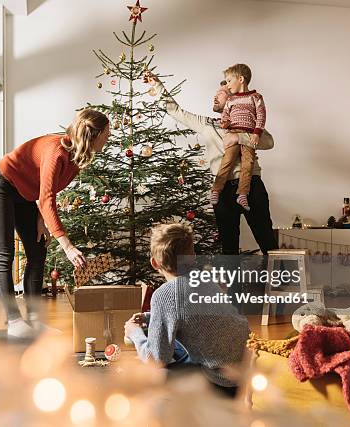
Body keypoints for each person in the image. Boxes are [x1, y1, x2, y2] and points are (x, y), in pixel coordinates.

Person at [0, 109, 110, 338]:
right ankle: (13, 321)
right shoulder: (57, 152)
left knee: (38, 249)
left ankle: (33, 320)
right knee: (5, 253)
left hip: (24, 196)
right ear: (96, 134)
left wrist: (41, 219)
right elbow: (47, 198)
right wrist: (68, 247)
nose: (108, 138)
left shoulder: (77, 158)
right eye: (107, 134)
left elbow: (47, 191)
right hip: (1, 185)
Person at [144, 72, 278, 256]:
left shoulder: (249, 124)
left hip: (251, 186)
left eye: (221, 93)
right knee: (228, 249)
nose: (215, 96)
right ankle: (233, 286)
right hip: (222, 191)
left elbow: (268, 142)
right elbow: (176, 111)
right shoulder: (207, 124)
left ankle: (281, 284)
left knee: (267, 241)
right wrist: (158, 85)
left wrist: (238, 137)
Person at [124, 223, 249, 396]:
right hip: (245, 372)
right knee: (176, 343)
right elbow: (189, 313)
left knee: (149, 373)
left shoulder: (163, 295)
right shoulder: (206, 280)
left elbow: (157, 360)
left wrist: (134, 333)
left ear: (154, 262)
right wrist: (149, 317)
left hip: (220, 383)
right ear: (193, 257)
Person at [213, 64, 266, 211]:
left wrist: (256, 133)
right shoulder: (231, 100)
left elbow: (261, 116)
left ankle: (242, 194)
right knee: (227, 160)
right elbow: (225, 114)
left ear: (241, 79)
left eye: (229, 81)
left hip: (248, 135)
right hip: (233, 131)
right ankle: (216, 189)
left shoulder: (255, 97)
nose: (227, 85)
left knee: (248, 163)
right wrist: (225, 123)